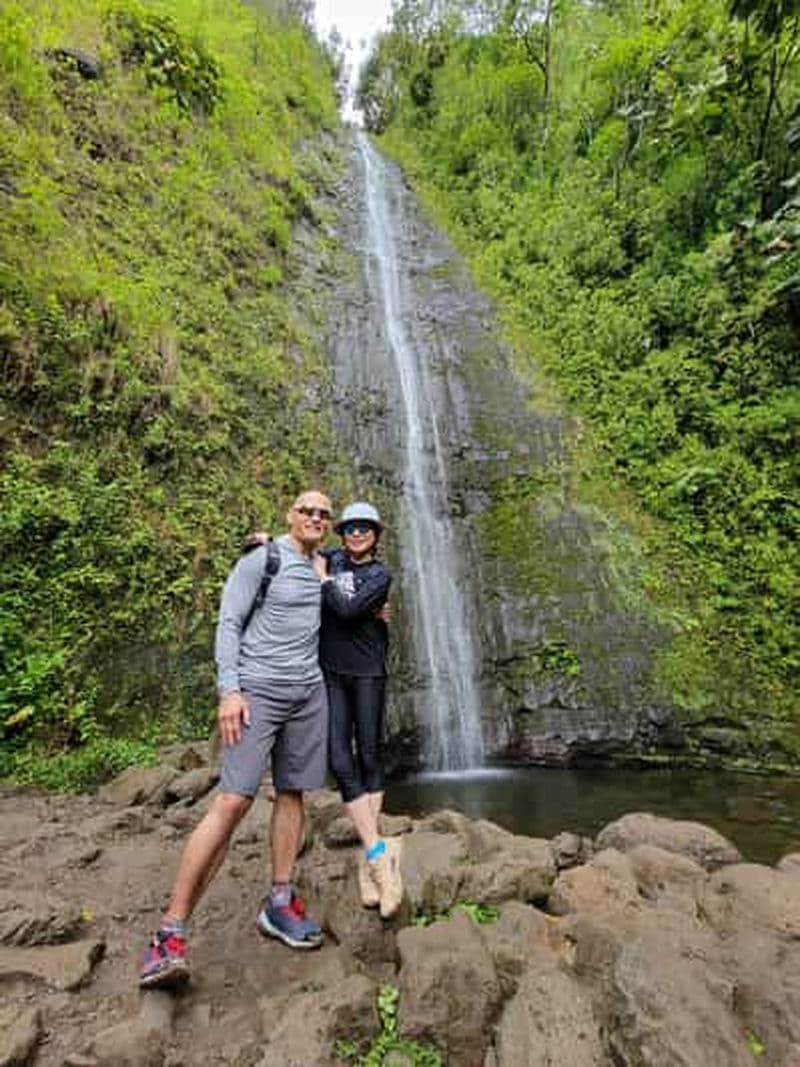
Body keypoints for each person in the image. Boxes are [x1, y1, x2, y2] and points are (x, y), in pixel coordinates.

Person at [138, 489, 333, 990]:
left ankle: (279, 901)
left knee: (292, 794)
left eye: (323, 514)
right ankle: (170, 931)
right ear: (290, 515)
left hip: (308, 694)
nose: (315, 517)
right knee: (232, 801)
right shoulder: (260, 560)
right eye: (306, 510)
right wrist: (230, 691)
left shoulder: (322, 566)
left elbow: (354, 595)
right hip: (258, 693)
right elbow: (228, 624)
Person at [314, 501, 403, 918]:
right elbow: (299, 547)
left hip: (368, 671)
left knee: (368, 753)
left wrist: (324, 582)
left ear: (376, 535)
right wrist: (260, 542)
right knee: (338, 755)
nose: (356, 534)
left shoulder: (379, 575)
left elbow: (347, 611)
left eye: (364, 528)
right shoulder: (329, 558)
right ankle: (378, 853)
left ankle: (372, 857)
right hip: (332, 672)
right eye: (349, 528)